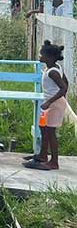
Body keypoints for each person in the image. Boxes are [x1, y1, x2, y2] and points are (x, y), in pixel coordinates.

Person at [24, 40, 68, 171]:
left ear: (49, 57)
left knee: (51, 132)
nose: (39, 56)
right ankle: (43, 155)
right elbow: (66, 82)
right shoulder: (55, 68)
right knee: (43, 128)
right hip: (50, 103)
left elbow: (63, 87)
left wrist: (50, 102)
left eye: (41, 54)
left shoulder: (52, 72)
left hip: (53, 104)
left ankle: (54, 162)